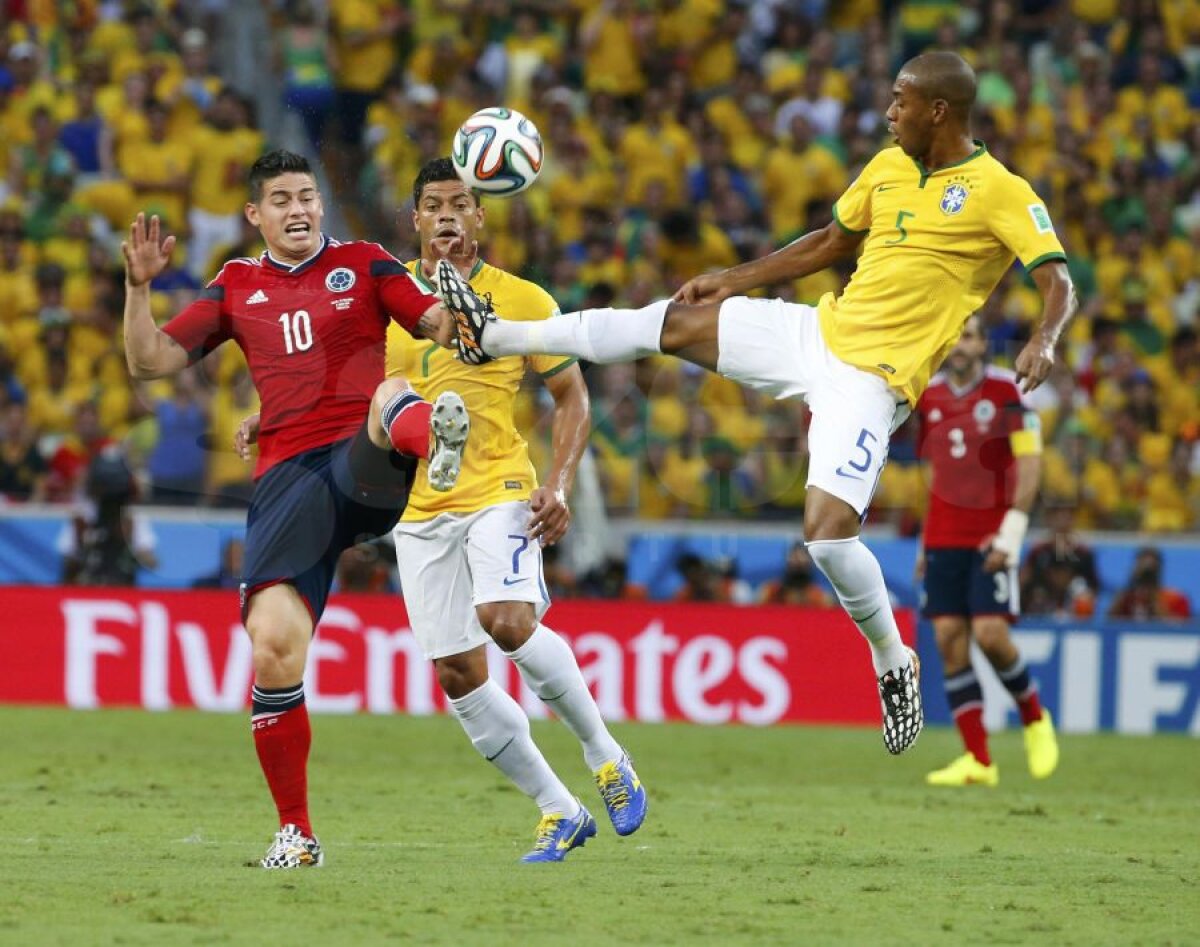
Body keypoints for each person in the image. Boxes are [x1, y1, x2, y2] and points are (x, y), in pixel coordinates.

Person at [441, 51, 1078, 756]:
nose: (888, 113)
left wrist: (1045, 339)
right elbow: (831, 242)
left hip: (872, 382)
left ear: (939, 110)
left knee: (827, 536)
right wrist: (734, 278)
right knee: (667, 323)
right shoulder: (888, 167)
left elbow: (1057, 279)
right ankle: (493, 334)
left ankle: (893, 656)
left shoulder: (1000, 190)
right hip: (817, 334)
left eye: (901, 102)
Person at [122, 149, 469, 870]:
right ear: (256, 214)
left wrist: (455, 301)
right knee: (273, 645)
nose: (300, 209)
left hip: (366, 459)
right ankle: (296, 833)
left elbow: (438, 323)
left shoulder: (366, 262)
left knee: (387, 393)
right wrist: (138, 288)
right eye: (281, 199)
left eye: (308, 196)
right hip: (289, 482)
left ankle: (433, 438)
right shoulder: (235, 284)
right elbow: (149, 361)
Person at [386, 158, 645, 863]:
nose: (446, 215)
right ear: (415, 219)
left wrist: (557, 484)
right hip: (417, 506)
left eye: (460, 203)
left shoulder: (523, 299)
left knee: (505, 619)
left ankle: (606, 756)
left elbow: (571, 396)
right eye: (433, 204)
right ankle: (559, 809)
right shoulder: (390, 298)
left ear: (481, 215)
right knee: (456, 673)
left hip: (500, 486)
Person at [915, 315, 1058, 787]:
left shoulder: (1007, 392)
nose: (959, 344)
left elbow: (1030, 463)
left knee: (991, 634)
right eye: (954, 334)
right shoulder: (929, 396)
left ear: (983, 345)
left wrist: (1010, 534)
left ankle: (1034, 718)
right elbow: (936, 473)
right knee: (949, 638)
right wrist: (924, 542)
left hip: (989, 537)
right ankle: (978, 759)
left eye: (969, 335)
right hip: (943, 537)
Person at [1107, 547, 1192, 621]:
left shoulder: (1176, 598)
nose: (1147, 575)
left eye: (1152, 571)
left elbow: (1179, 628)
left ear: (1159, 570)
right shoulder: (1126, 597)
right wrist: (1130, 585)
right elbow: (1109, 621)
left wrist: (1154, 599)